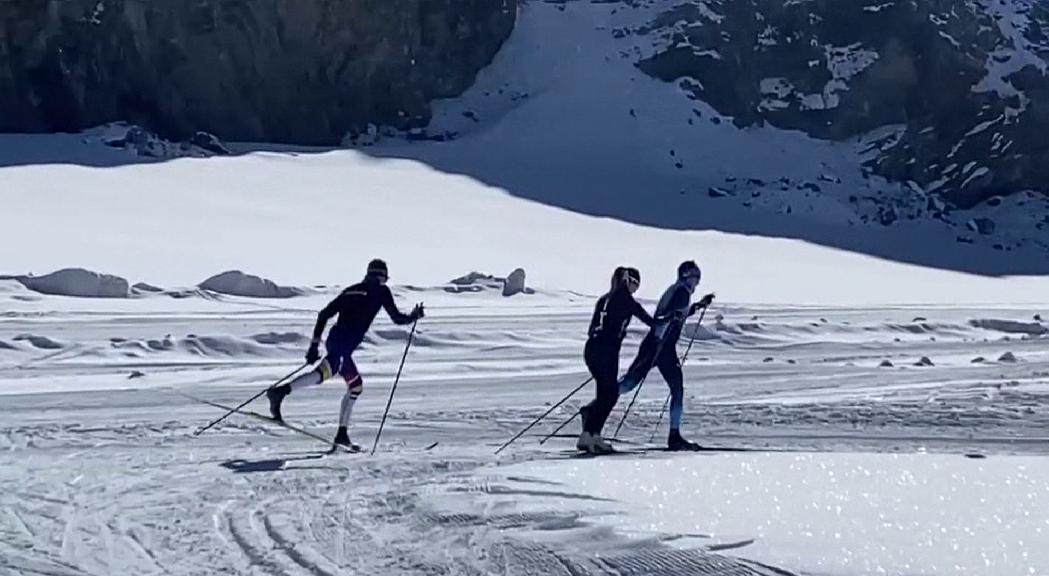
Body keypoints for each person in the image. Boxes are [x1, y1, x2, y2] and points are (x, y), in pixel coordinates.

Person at [266, 259, 423, 448]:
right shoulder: (381, 291)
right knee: (323, 374)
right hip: (343, 345)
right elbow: (397, 319)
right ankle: (280, 392)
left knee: (355, 386)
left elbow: (324, 314)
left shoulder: (351, 290)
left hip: (336, 341)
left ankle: (341, 434)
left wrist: (314, 346)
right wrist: (414, 316)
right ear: (382, 276)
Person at [618, 260, 714, 451]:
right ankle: (674, 436)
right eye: (695, 277)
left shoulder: (679, 291)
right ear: (687, 277)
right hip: (660, 347)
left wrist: (699, 305)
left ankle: (594, 408)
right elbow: (663, 319)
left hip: (658, 346)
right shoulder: (680, 293)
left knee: (629, 383)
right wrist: (662, 335)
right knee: (674, 389)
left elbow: (680, 314)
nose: (697, 281)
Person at [577, 267, 660, 454]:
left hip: (592, 349)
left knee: (605, 393)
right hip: (607, 351)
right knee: (611, 394)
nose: (636, 289)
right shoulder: (626, 301)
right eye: (635, 284)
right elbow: (650, 321)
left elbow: (592, 329)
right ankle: (589, 434)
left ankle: (592, 435)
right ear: (627, 281)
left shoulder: (604, 299)